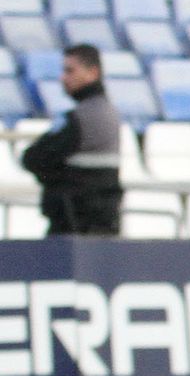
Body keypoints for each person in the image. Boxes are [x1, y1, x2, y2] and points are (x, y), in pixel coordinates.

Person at [19, 45, 122, 237]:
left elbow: (33, 158)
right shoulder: (107, 112)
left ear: (93, 73)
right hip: (99, 224)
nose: (63, 78)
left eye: (70, 71)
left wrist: (54, 178)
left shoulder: (82, 118)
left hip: (74, 224)